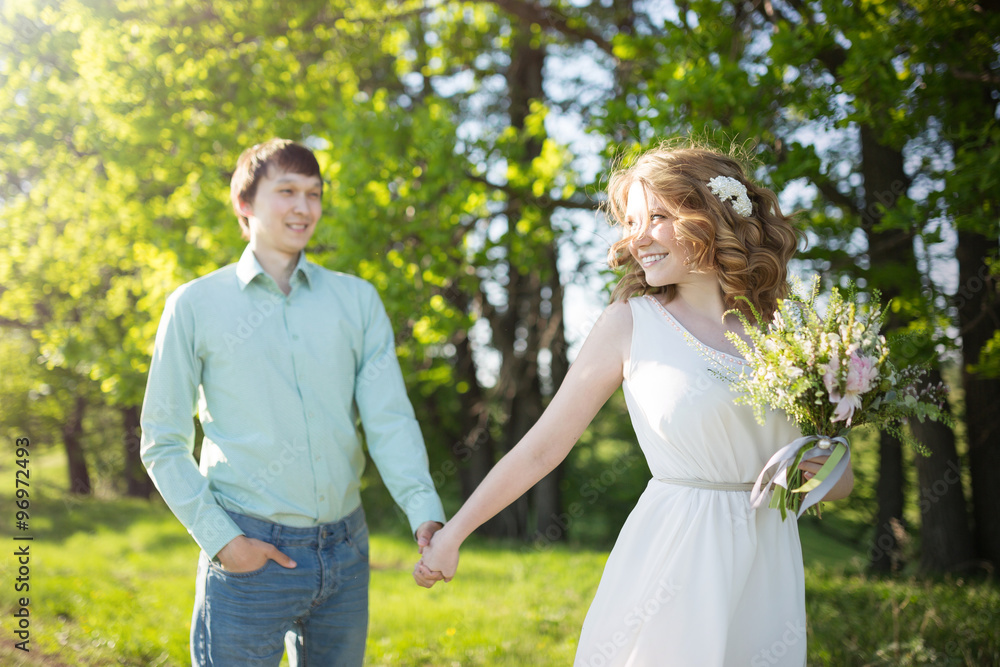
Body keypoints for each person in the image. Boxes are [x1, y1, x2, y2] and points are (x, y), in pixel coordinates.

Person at [413, 143, 854, 666]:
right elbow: (541, 449)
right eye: (630, 221)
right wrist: (454, 535)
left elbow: (837, 485)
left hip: (768, 562)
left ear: (712, 216)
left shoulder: (787, 334)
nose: (636, 238)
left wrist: (818, 470)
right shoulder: (629, 323)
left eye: (658, 217)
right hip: (676, 556)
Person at [140, 138, 445, 667]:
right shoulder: (194, 305)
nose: (303, 208)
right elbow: (162, 443)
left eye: (314, 193)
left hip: (347, 551)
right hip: (247, 549)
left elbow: (389, 420)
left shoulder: (357, 300)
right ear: (244, 203)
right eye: (286, 191)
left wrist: (424, 510)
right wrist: (223, 543)